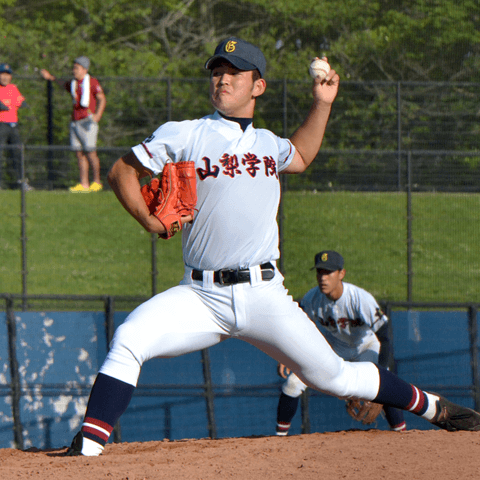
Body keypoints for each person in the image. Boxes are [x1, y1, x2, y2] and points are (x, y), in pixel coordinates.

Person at [64, 37, 480, 456]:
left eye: (234, 72)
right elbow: (122, 170)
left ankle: (435, 408)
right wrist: (150, 219)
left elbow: (299, 154)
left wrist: (323, 103)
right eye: (217, 72)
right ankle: (89, 448)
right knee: (131, 337)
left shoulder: (268, 144)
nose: (222, 79)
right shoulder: (186, 134)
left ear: (257, 87)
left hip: (264, 293)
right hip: (201, 295)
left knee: (335, 377)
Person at [276, 250, 406, 435]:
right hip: (333, 350)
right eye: (320, 272)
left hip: (365, 347)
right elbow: (298, 329)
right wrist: (285, 355)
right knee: (293, 383)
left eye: (328, 272)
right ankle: (279, 437)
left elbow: (384, 335)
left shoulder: (360, 299)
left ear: (341, 274)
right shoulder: (312, 299)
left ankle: (401, 433)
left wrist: (383, 372)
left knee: (384, 385)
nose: (323, 278)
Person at [40, 56, 106, 192]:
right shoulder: (73, 83)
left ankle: (97, 182)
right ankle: (84, 183)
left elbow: (102, 98)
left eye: (76, 68)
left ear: (84, 69)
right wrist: (51, 77)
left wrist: (98, 114)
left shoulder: (92, 82)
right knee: (79, 153)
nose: (73, 70)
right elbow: (62, 83)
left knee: (91, 152)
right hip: (75, 121)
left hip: (88, 122)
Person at [0, 62, 30, 190]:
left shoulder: (13, 88)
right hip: (2, 125)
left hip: (13, 126)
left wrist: (23, 103)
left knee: (18, 153)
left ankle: (21, 181)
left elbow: (20, 101)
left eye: (8, 74)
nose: (5, 77)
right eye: (2, 74)